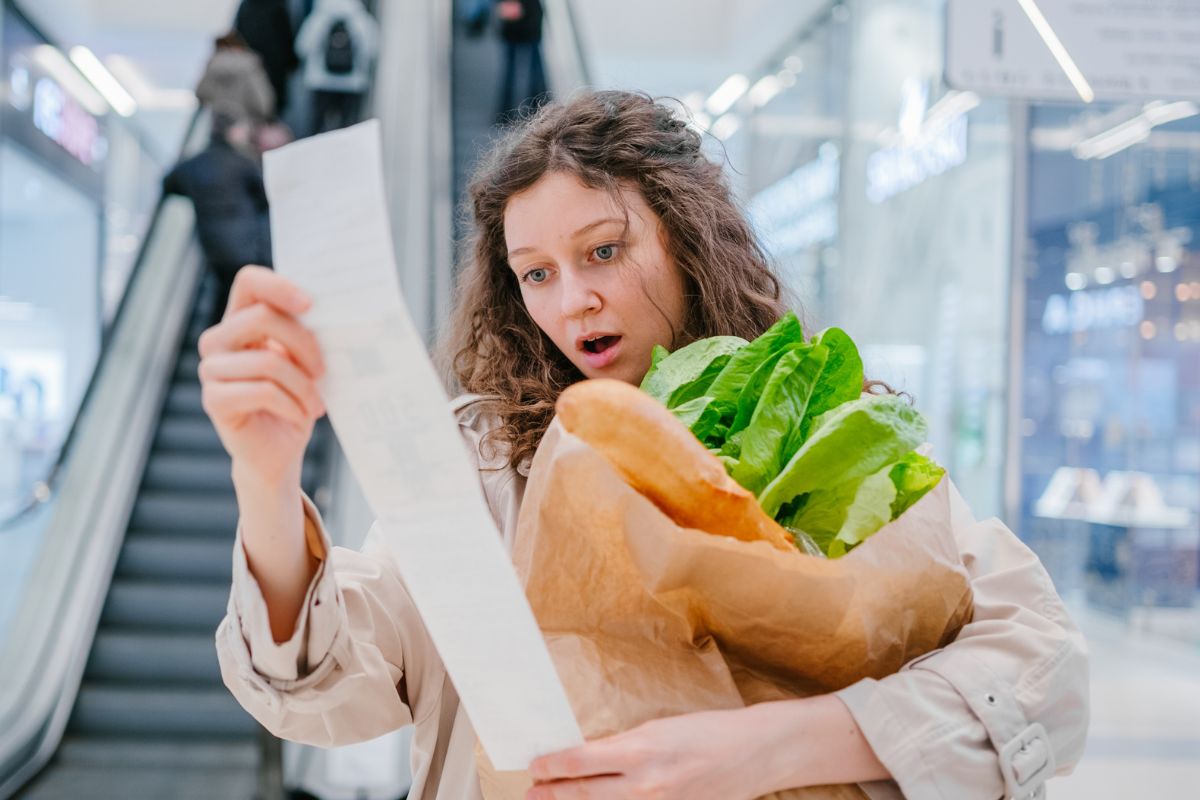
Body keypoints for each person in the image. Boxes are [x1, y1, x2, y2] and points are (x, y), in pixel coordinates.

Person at [201, 91, 1089, 800]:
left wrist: (766, 748)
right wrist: (266, 481)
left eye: (605, 251)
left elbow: (1041, 672)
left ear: (689, 238)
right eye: (537, 274)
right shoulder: (485, 459)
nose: (571, 300)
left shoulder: (824, 426)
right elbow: (333, 684)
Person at [164, 113, 271, 329]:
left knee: (224, 289)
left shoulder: (194, 164)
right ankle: (238, 335)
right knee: (243, 289)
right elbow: (264, 197)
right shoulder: (242, 162)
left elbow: (168, 184)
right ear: (231, 132)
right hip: (243, 241)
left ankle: (216, 337)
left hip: (212, 243)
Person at [294, 0, 379, 134]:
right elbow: (372, 50)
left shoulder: (319, 17)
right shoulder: (361, 18)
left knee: (317, 132)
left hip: (320, 83)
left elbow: (302, 47)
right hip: (353, 85)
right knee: (348, 131)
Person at [195, 31, 276, 130]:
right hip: (246, 122)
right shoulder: (249, 64)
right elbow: (261, 98)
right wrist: (266, 115)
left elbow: (201, 92)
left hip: (218, 121)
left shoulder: (214, 65)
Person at [235, 0, 301, 117]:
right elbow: (285, 37)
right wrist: (292, 62)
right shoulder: (277, 5)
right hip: (273, 65)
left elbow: (238, 34)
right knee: (270, 108)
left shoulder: (246, 4)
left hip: (251, 64)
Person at [495, 0, 547, 121]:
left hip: (519, 23)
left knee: (514, 70)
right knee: (532, 70)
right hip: (526, 22)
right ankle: (536, 110)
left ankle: (506, 112)